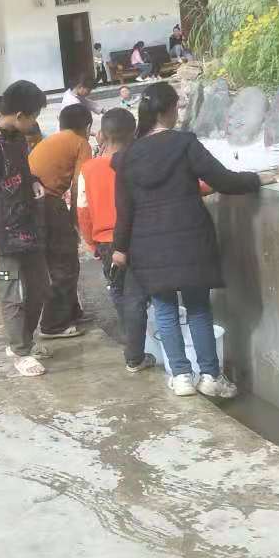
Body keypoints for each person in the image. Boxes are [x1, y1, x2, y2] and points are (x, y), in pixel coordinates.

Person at [112, 82, 271, 399]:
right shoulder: (184, 143)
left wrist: (120, 247)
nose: (178, 113)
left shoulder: (128, 156)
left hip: (148, 247)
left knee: (166, 311)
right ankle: (210, 376)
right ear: (167, 110)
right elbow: (222, 180)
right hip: (190, 241)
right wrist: (256, 178)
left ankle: (181, 376)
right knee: (198, 308)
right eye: (176, 107)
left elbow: (124, 210)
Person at [0, 80, 53, 377]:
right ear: (19, 115)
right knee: (11, 292)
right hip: (3, 238)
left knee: (40, 288)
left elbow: (22, 172)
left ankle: (23, 339)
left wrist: (34, 182)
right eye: (34, 116)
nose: (35, 122)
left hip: (29, 228)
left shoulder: (17, 140)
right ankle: (20, 351)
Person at [76, 108, 156, 373]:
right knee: (137, 297)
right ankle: (135, 354)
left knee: (120, 292)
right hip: (138, 237)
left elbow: (82, 210)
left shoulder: (88, 169)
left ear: (101, 135)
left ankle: (131, 343)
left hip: (106, 242)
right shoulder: (141, 162)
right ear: (134, 133)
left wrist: (91, 242)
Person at [29, 102, 94, 339]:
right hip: (47, 202)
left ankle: (71, 312)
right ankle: (53, 325)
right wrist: (77, 221)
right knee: (64, 263)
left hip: (33, 202)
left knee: (58, 261)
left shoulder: (52, 140)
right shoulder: (80, 143)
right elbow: (80, 185)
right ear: (87, 127)